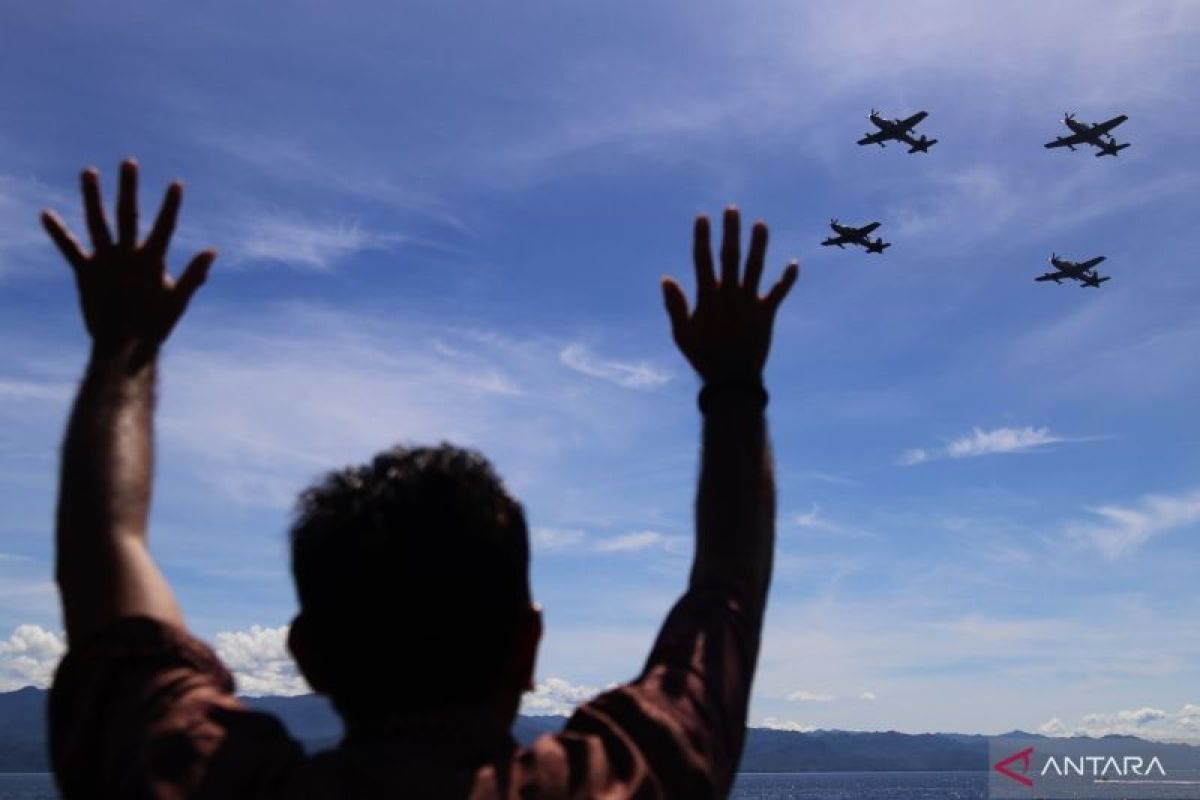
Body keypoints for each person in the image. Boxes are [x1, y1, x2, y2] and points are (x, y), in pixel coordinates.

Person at [43, 159, 799, 799]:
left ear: (305, 655)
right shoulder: (623, 777)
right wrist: (733, 382)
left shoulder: (190, 773)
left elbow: (106, 552)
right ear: (528, 645)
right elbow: (729, 582)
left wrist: (125, 348)